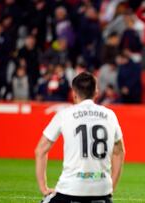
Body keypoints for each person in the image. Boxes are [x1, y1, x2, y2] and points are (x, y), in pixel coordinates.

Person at [35, 72, 125, 203]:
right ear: (96, 92)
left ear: (74, 93)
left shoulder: (64, 114)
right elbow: (119, 152)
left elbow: (40, 150)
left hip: (70, 192)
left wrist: (44, 188)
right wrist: (110, 188)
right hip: (102, 194)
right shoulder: (110, 115)